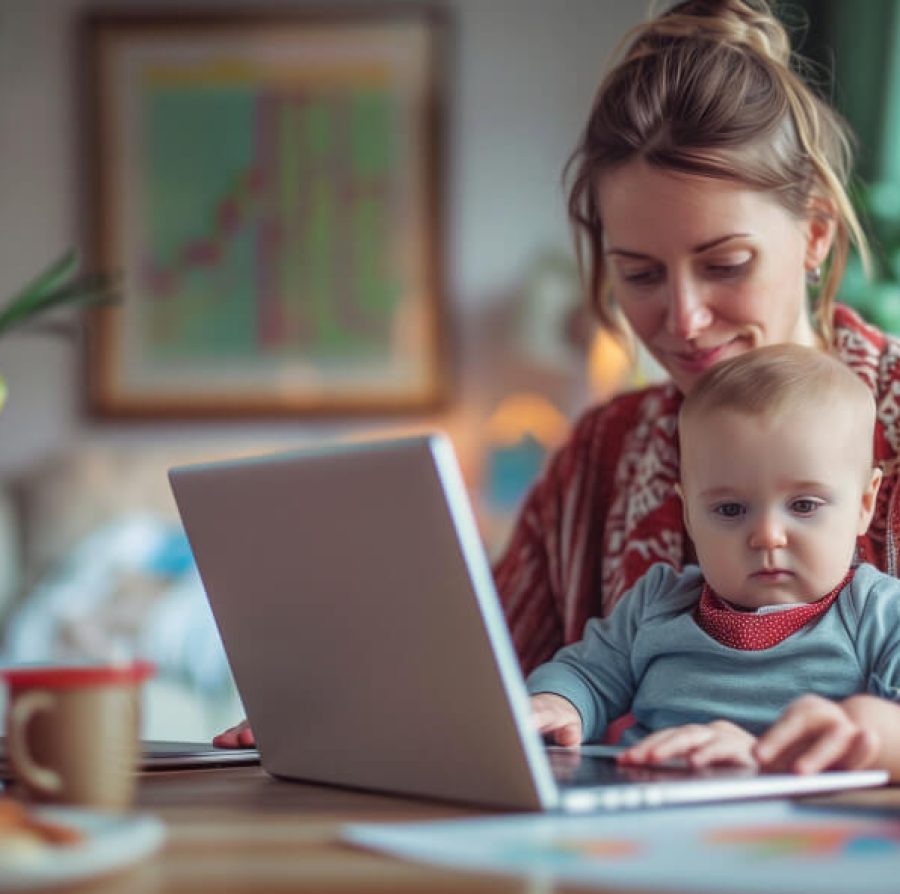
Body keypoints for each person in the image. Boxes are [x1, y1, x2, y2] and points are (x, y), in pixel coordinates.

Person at [213, 0, 900, 751]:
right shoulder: (597, 457)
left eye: (724, 265)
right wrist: (351, 719)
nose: (684, 317)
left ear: (817, 234)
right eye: (639, 274)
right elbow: (501, 688)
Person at [529, 344, 900, 778]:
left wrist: (768, 753)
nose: (767, 535)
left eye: (803, 505)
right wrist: (558, 703)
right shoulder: (658, 602)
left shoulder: (878, 614)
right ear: (688, 513)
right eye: (729, 510)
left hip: (798, 828)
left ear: (864, 504)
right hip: (650, 812)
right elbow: (586, 674)